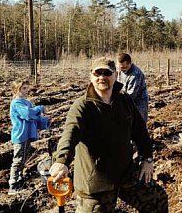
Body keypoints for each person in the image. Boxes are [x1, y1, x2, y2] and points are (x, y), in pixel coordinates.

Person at [49, 57, 168, 213]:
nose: (102, 77)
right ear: (91, 76)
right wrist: (62, 161)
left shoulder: (124, 100)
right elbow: (70, 133)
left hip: (125, 173)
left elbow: (140, 131)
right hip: (96, 182)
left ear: (115, 75)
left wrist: (147, 158)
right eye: (98, 73)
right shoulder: (83, 106)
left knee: (157, 200)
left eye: (107, 73)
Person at [8, 79, 50, 195]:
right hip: (20, 135)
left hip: (28, 135)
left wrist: (45, 121)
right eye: (23, 88)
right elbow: (28, 114)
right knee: (18, 160)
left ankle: (20, 179)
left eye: (27, 88)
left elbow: (34, 118)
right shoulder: (16, 103)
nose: (26, 91)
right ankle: (13, 184)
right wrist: (39, 109)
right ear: (16, 90)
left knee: (24, 158)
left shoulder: (27, 103)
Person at [117, 52, 150, 123]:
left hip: (139, 102)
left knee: (139, 124)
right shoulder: (119, 70)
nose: (122, 70)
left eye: (124, 67)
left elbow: (131, 95)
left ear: (130, 64)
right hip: (126, 98)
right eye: (120, 67)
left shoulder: (135, 75)